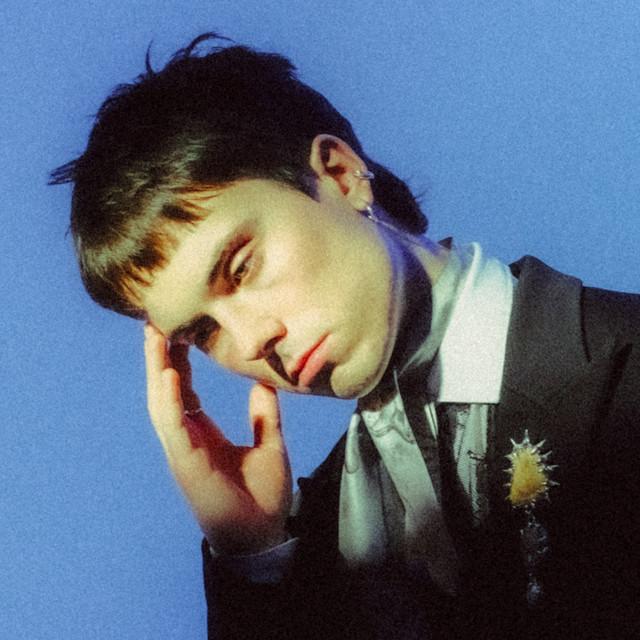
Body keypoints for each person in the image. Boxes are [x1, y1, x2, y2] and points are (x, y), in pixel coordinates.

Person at [51, 33, 640, 639]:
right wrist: (255, 558)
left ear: (339, 174)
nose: (250, 341)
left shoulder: (624, 366)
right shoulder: (303, 555)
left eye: (242, 267)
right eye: (203, 331)